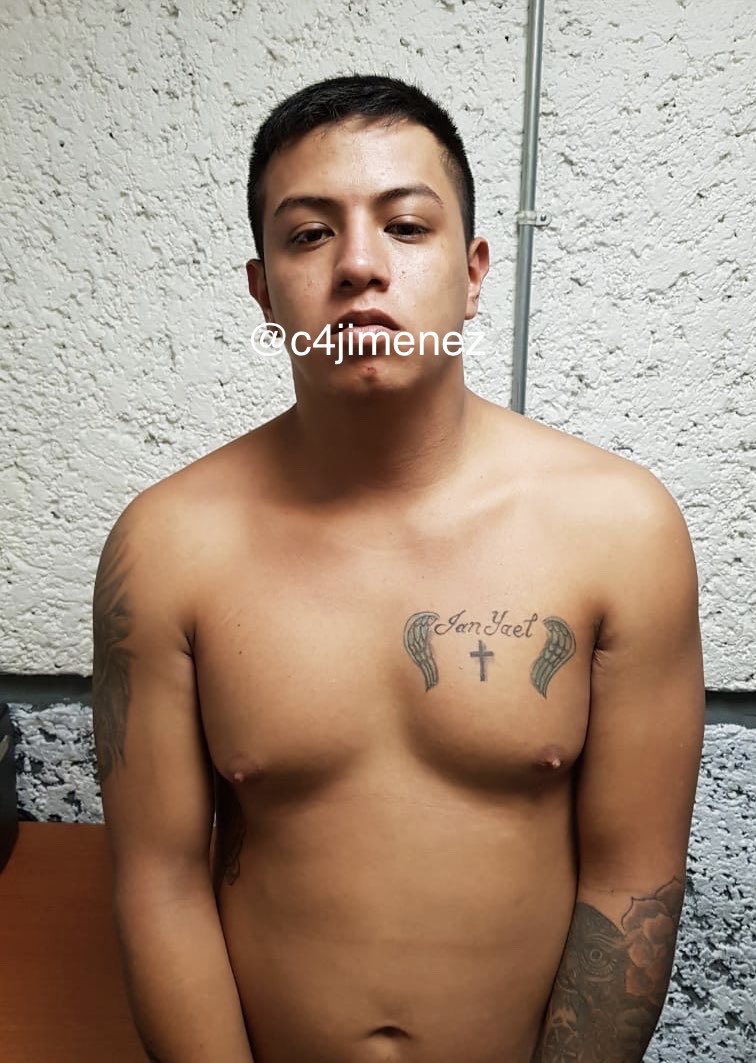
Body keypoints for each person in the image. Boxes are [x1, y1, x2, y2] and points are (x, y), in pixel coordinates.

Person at [91, 74, 705, 1063]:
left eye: (407, 227)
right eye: (308, 234)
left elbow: (632, 878)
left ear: (474, 271)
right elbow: (158, 884)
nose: (359, 266)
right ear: (263, 291)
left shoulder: (620, 529)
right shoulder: (167, 545)